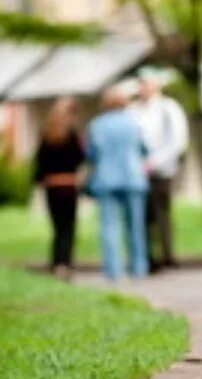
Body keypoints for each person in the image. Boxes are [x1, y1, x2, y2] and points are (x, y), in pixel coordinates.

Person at [85, 86, 149, 282]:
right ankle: (139, 267)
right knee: (135, 225)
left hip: (107, 178)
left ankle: (114, 270)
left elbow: (92, 154)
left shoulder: (97, 125)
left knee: (109, 226)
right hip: (132, 178)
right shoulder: (133, 123)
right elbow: (144, 149)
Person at [130, 68, 189, 273]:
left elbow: (177, 141)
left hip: (162, 170)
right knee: (143, 217)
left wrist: (155, 162)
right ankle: (147, 257)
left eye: (146, 84)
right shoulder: (134, 110)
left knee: (162, 214)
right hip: (138, 171)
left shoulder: (168, 108)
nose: (143, 89)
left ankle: (167, 255)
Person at [33, 96, 85, 280]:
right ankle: (66, 263)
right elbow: (80, 158)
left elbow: (39, 163)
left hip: (52, 186)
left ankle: (56, 262)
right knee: (68, 227)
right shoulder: (71, 135)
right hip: (68, 184)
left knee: (56, 227)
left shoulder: (46, 136)